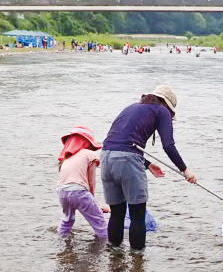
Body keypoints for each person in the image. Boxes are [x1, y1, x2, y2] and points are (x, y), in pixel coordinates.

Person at [99, 84, 196, 250]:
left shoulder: (132, 107)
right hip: (127, 160)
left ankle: (114, 257)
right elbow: (168, 145)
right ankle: (138, 263)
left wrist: (147, 164)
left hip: (105, 157)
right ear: (167, 105)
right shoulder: (162, 110)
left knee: (117, 213)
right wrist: (185, 170)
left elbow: (120, 142)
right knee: (137, 216)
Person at [56, 125, 108, 240]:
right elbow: (91, 182)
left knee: (67, 220)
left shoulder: (66, 158)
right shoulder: (90, 154)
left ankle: (61, 242)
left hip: (61, 191)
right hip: (78, 191)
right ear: (88, 143)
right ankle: (108, 246)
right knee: (99, 222)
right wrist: (94, 202)